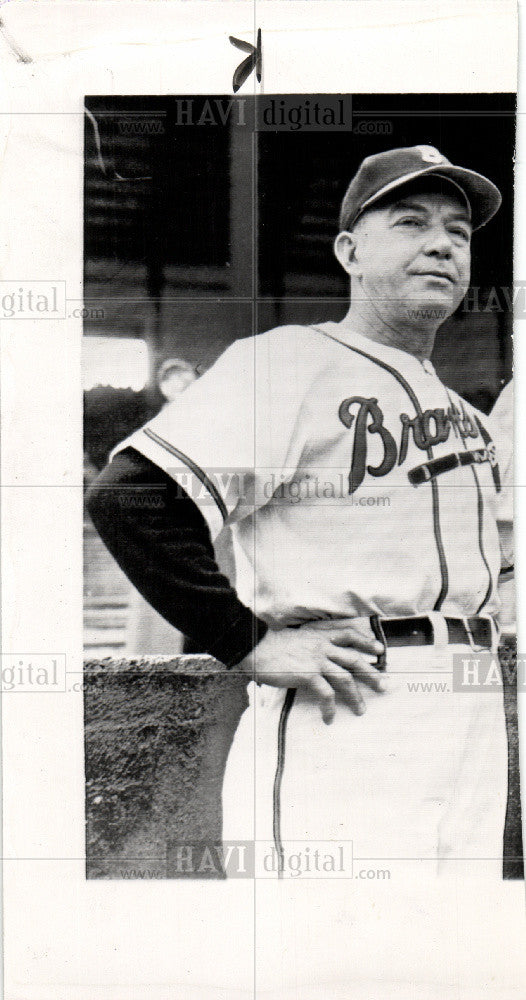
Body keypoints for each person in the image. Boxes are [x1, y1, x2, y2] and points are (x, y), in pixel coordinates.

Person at [87, 146, 525, 997]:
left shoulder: (467, 414)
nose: (442, 244)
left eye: (458, 231)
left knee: (453, 964)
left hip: (470, 702)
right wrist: (245, 641)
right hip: (354, 702)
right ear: (349, 252)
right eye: (410, 222)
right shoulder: (290, 360)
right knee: (332, 964)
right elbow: (131, 497)